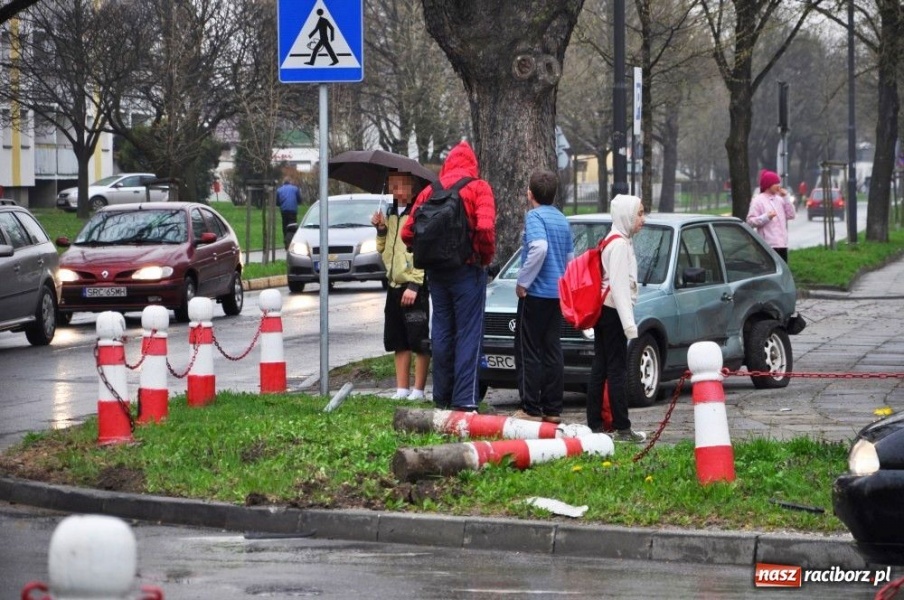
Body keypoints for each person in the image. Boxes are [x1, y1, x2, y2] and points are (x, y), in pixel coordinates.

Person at [401, 140, 496, 413]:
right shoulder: (480, 188)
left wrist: (426, 249)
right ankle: (465, 399)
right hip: (467, 271)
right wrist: (483, 258)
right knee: (468, 334)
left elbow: (408, 232)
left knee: (441, 332)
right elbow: (486, 228)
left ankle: (441, 396)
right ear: (472, 164)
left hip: (436, 273)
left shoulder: (429, 191)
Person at [512, 170, 574, 424]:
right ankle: (553, 408)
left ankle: (530, 407)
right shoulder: (562, 219)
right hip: (557, 293)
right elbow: (570, 258)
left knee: (529, 350)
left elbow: (539, 247)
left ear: (530, 193)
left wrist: (523, 281)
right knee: (552, 349)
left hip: (536, 292)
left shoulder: (534, 216)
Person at [586, 194, 647, 443]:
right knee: (617, 370)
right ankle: (622, 427)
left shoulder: (614, 239)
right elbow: (620, 289)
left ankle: (596, 424)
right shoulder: (620, 245)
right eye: (639, 214)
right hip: (613, 312)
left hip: (605, 311)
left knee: (601, 367)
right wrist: (629, 325)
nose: (643, 219)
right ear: (627, 216)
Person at [371, 171, 430, 401]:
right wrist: (381, 230)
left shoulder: (418, 214)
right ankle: (401, 388)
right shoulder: (391, 214)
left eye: (400, 186)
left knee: (419, 339)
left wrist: (415, 284)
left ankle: (418, 390)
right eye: (392, 186)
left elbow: (422, 251)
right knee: (398, 339)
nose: (395, 191)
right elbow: (382, 249)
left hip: (412, 285)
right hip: (394, 284)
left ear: (412, 189)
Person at [746, 169, 795, 263]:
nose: (779, 186)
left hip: (782, 245)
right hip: (768, 246)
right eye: (775, 183)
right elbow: (750, 222)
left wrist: (786, 198)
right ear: (768, 185)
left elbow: (791, 215)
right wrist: (766, 217)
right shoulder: (758, 200)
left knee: (783, 272)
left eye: (779, 183)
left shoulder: (780, 199)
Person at [276, 179, 302, 250]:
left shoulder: (279, 190)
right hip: (293, 210)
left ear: (283, 183)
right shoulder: (295, 189)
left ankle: (286, 244)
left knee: (285, 227)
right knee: (292, 227)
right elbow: (299, 200)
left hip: (284, 211)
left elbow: (277, 203)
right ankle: (292, 243)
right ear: (290, 183)